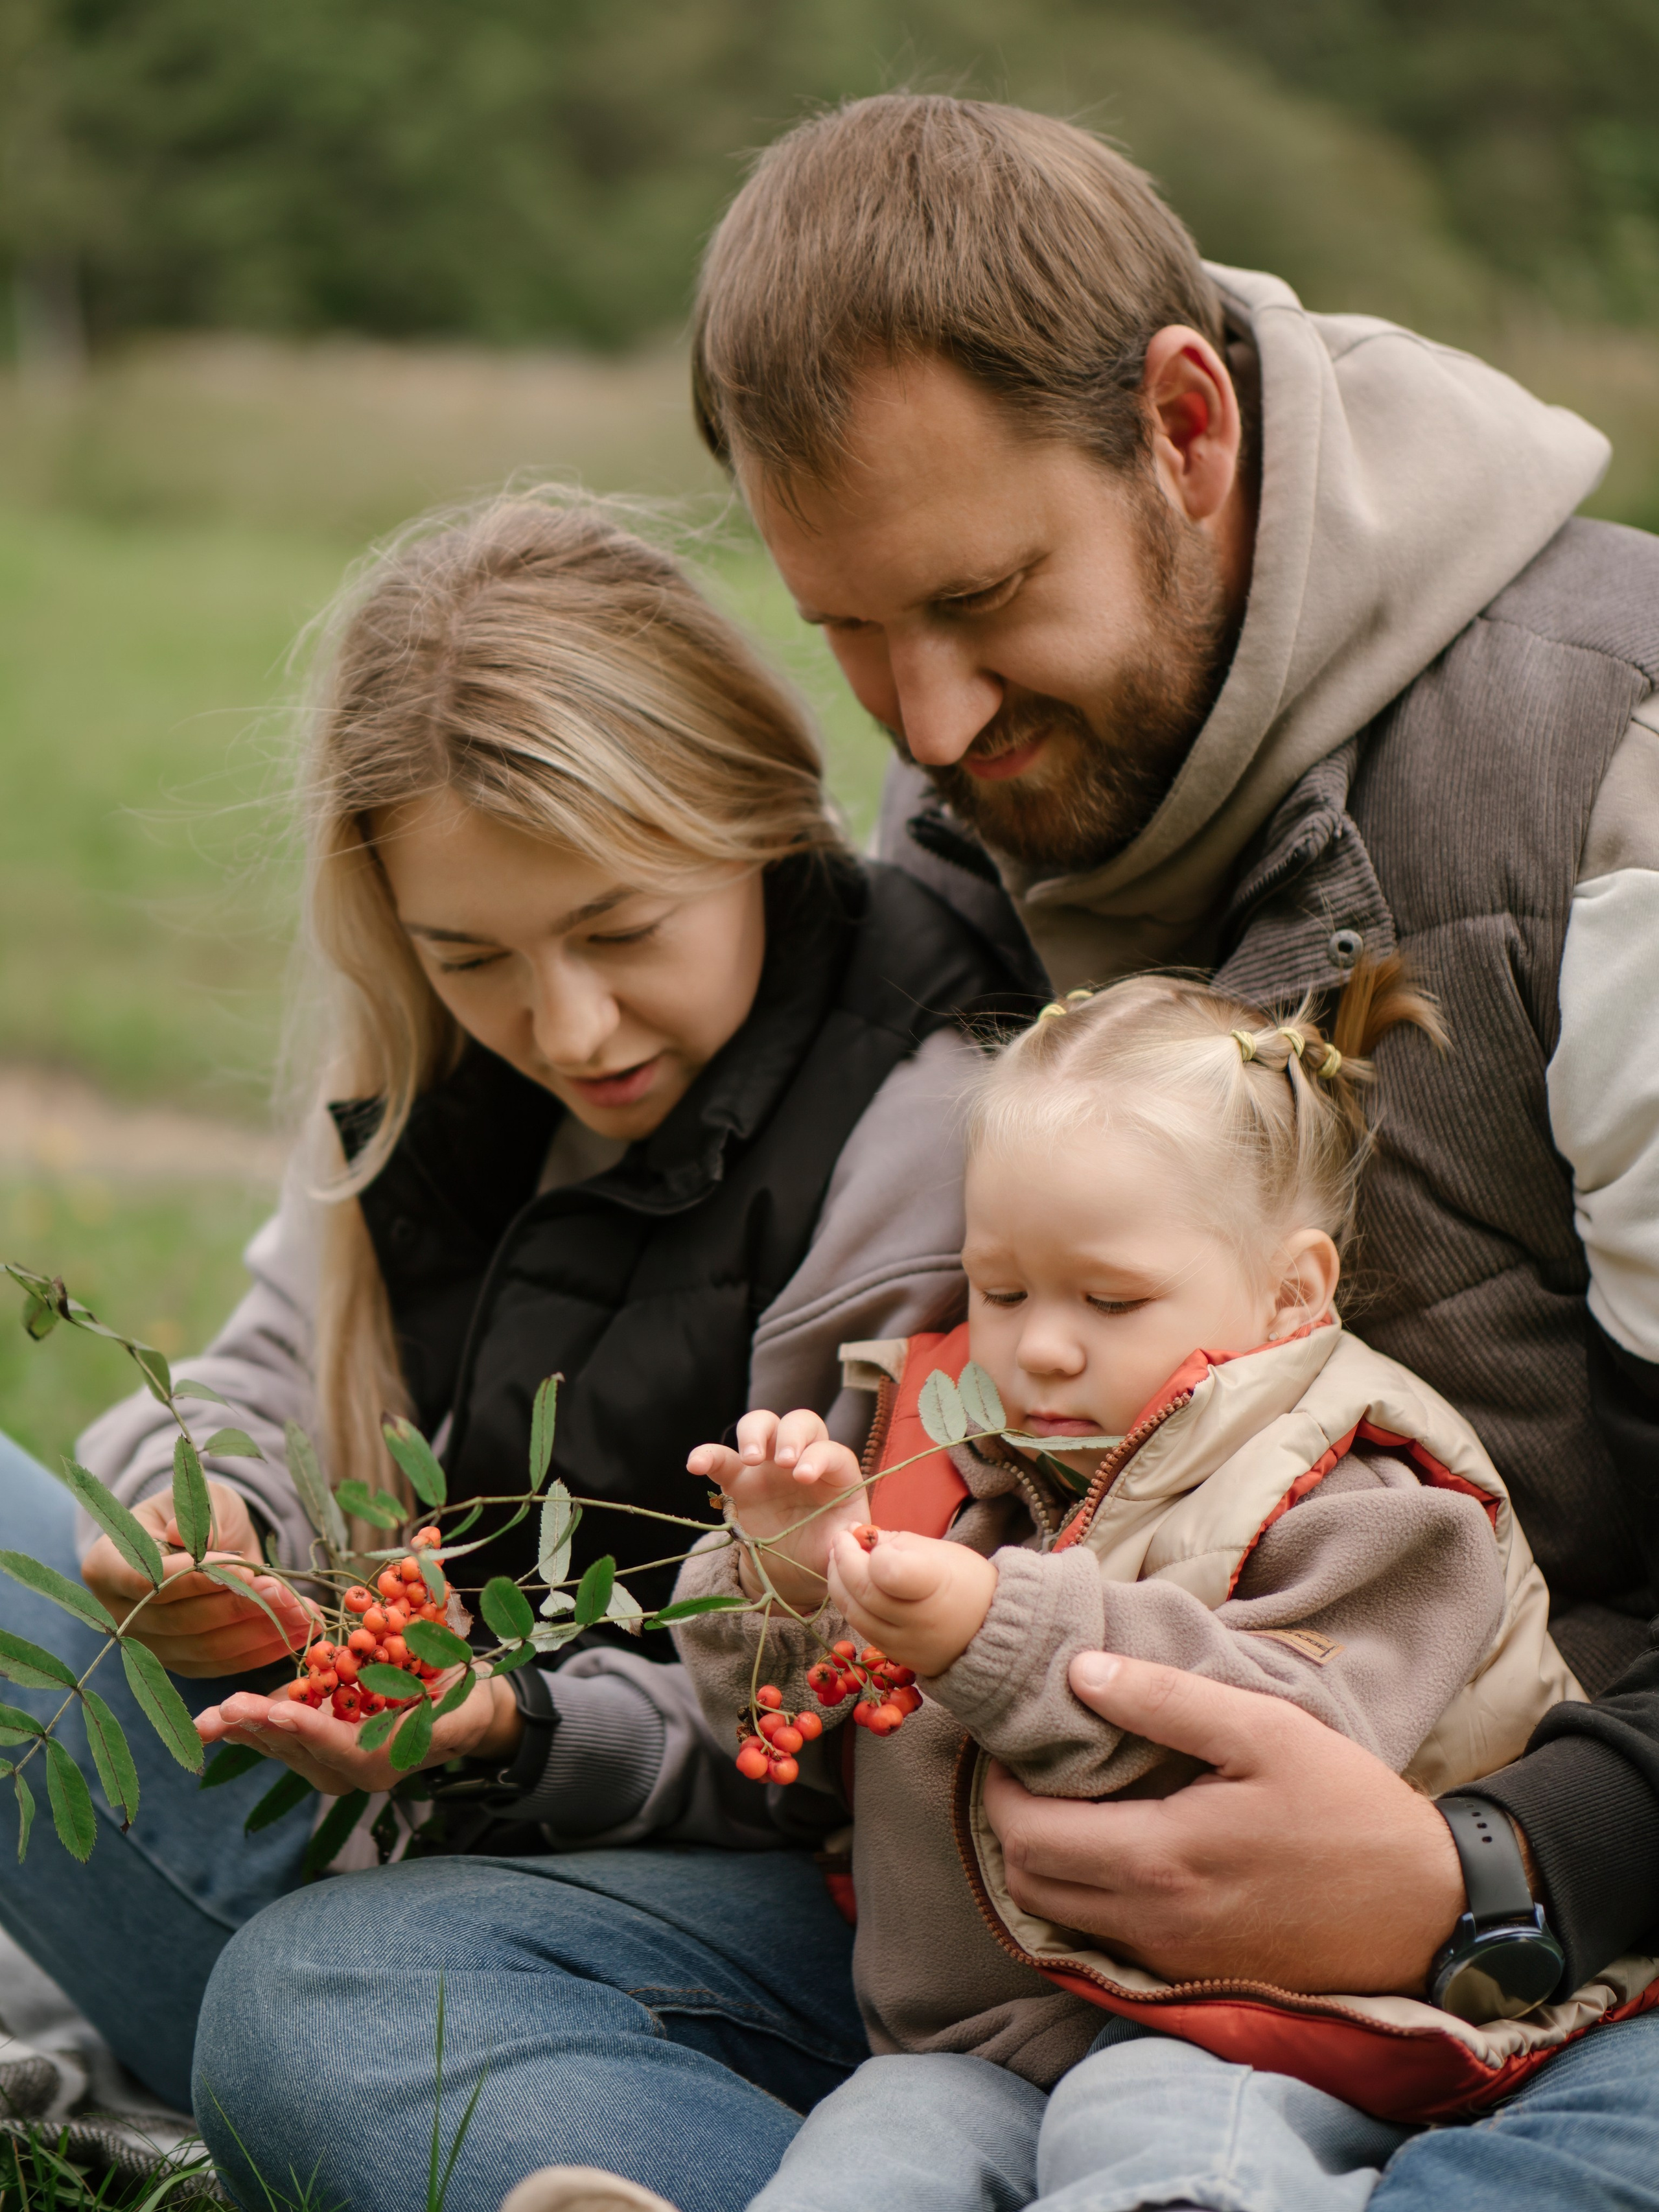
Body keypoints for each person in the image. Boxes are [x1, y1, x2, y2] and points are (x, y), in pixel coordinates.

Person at [203, 93, 1659, 2212]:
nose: (934, 723)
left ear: (1185, 426)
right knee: (338, 2005)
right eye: (852, 635)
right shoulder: (975, 803)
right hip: (1008, 1958)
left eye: (980, 601)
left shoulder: (1612, 772)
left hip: (1566, 1949)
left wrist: (1488, 1862)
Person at [0, 489, 1019, 2176]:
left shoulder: (925, 1131)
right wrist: (214, 1514)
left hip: (703, 1912)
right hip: (372, 1820)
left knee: (322, 1993)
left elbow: (803, 1712)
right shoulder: (428, 1075)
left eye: (621, 929)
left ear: (762, 814)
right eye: (470, 954)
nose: (566, 1024)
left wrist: (503, 1724)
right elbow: (259, 1366)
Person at [513, 966, 1632, 2212]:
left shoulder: (1372, 1493)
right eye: (1000, 1290)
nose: (1039, 1343)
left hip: (1270, 2014)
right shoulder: (964, 1455)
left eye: (1110, 1299)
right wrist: (791, 1575)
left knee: (1148, 2127)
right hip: (989, 2032)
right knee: (878, 2142)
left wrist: (998, 1632)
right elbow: (797, 1744)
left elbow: (1296, 1742)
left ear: (1290, 1292)